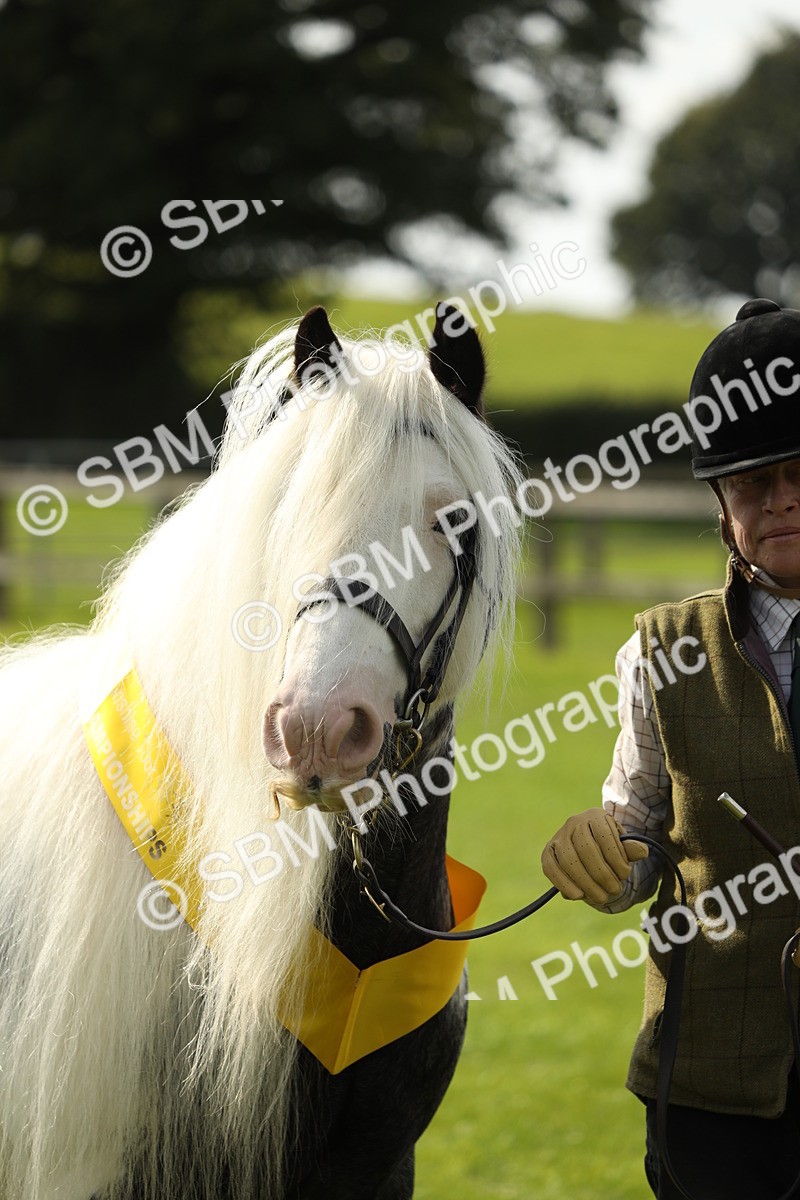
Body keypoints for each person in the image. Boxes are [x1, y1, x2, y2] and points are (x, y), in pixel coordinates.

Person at [541, 297, 800, 1200]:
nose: (781, 497)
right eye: (752, 478)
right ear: (721, 503)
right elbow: (643, 840)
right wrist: (606, 857)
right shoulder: (662, 650)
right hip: (711, 1096)